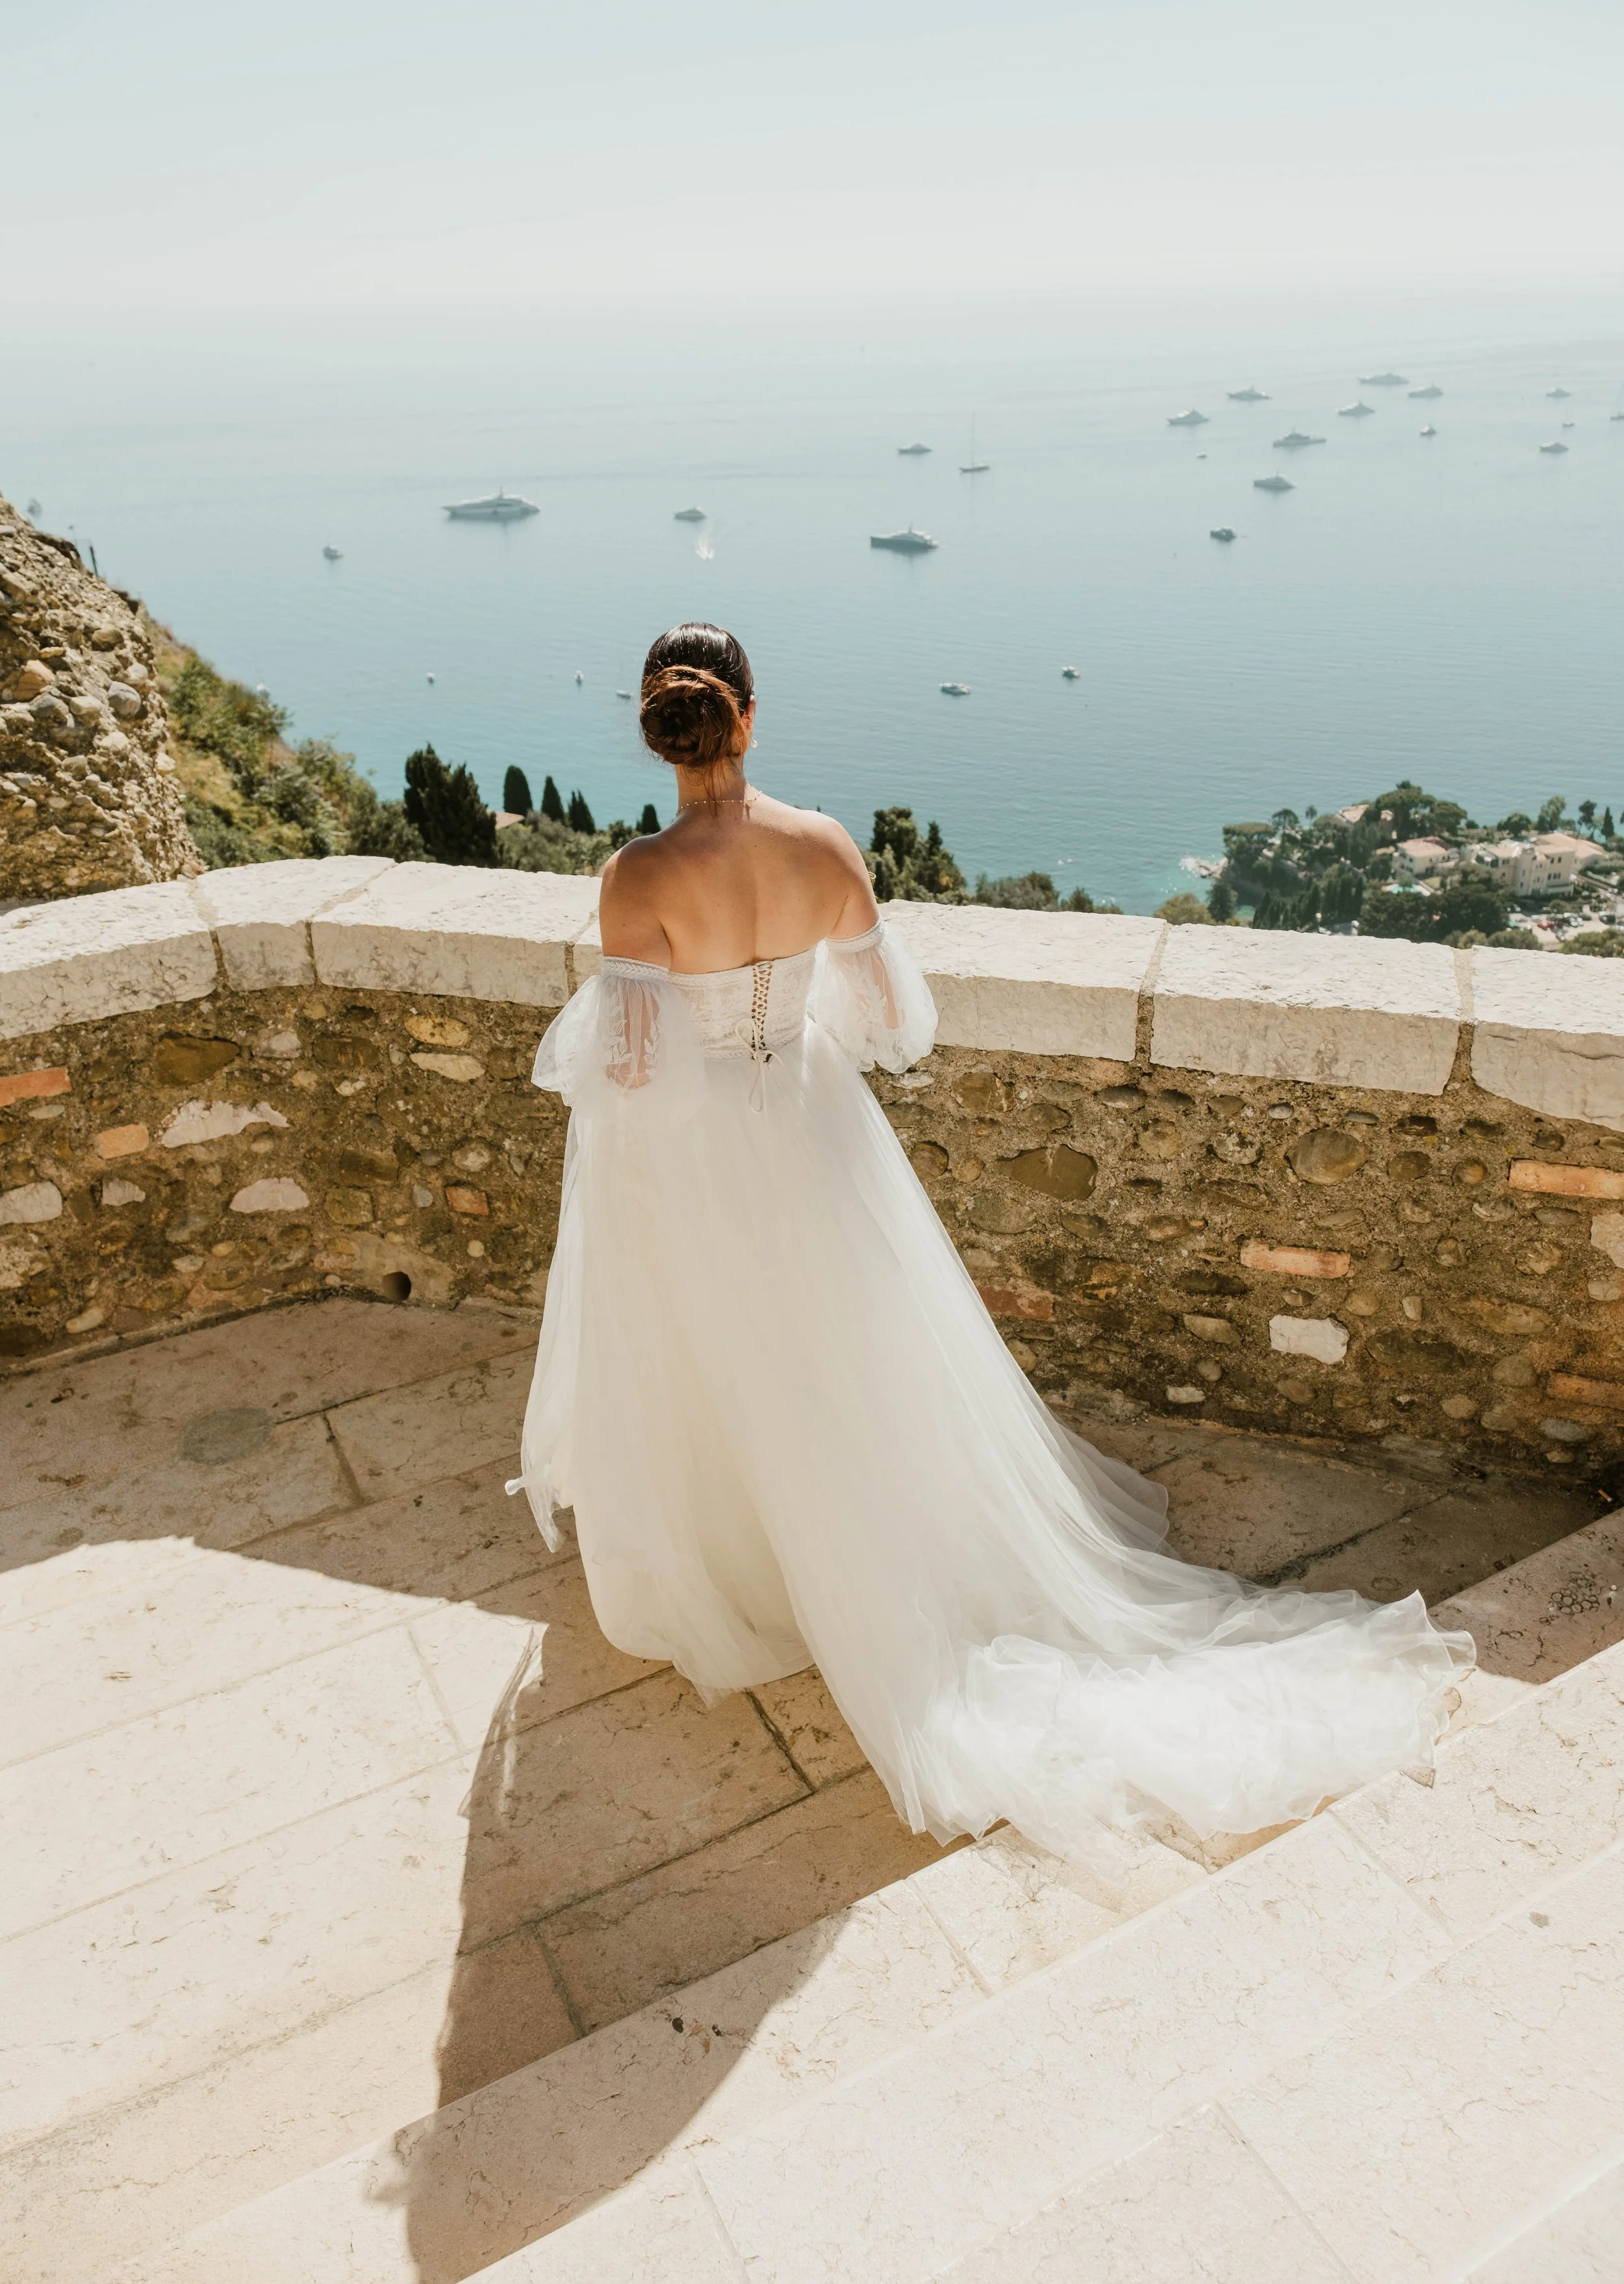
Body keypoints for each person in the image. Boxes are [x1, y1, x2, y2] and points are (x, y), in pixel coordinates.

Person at [510, 624, 1471, 1867]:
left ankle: (751, 1564)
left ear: (660, 730)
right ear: (749, 715)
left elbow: (629, 1071)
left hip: (698, 1159)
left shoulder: (634, 877)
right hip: (813, 1129)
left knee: (715, 1358)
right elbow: (893, 1019)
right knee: (852, 1355)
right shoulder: (823, 844)